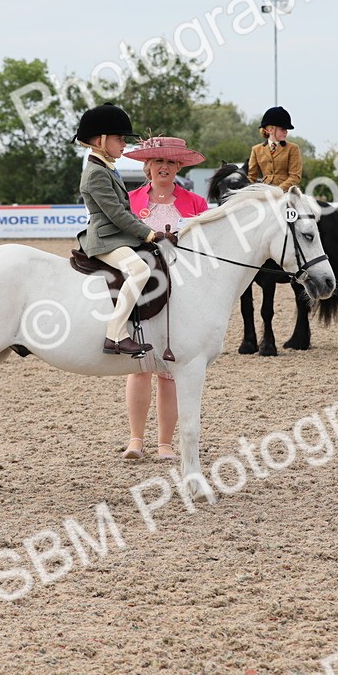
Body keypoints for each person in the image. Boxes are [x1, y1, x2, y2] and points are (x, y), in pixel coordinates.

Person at [118, 137, 208, 460]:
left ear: (179, 166)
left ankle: (165, 444)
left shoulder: (196, 203)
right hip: (141, 292)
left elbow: (205, 248)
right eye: (158, 161)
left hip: (181, 295)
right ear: (149, 166)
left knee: (169, 371)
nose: (164, 167)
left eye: (171, 162)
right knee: (140, 366)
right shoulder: (129, 201)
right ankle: (135, 441)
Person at [76, 103, 174, 356]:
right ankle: (115, 335)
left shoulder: (107, 168)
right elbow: (117, 215)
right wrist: (149, 234)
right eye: (119, 139)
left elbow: (126, 211)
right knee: (140, 270)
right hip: (104, 239)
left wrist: (150, 232)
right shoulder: (96, 174)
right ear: (100, 141)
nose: (124, 144)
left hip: (117, 236)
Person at [248, 106, 302, 192]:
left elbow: (295, 177)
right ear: (270, 130)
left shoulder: (293, 149)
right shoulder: (256, 150)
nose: (286, 132)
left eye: (286, 129)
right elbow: (251, 177)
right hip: (265, 192)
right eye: (283, 129)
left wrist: (278, 190)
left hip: (286, 192)